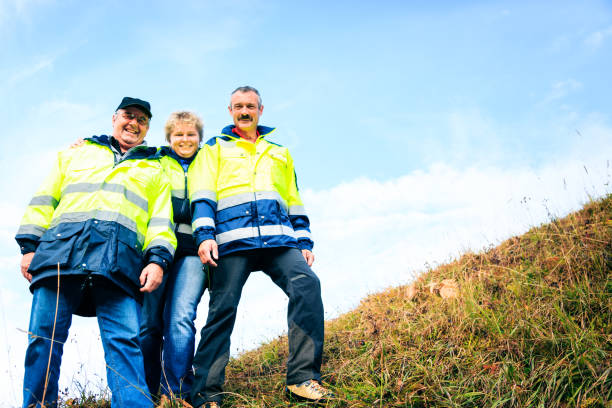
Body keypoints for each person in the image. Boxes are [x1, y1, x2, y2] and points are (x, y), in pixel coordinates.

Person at [15, 97, 176, 408]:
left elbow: (161, 222)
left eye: (142, 120)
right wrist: (29, 246)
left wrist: (157, 261)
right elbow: (45, 198)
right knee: (43, 340)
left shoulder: (155, 169)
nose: (134, 123)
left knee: (126, 343)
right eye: (129, 116)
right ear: (114, 118)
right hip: (60, 255)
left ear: (147, 129)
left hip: (120, 264)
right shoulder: (77, 153)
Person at [188, 86, 333, 408]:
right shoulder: (213, 149)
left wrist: (304, 240)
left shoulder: (279, 152)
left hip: (279, 240)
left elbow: (293, 198)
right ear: (230, 111)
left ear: (260, 110)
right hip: (231, 241)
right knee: (221, 311)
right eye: (238, 106)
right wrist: (205, 236)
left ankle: (302, 379)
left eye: (250, 106)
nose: (244, 111)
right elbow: (202, 195)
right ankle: (205, 393)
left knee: (307, 285)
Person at [139, 111, 208, 403]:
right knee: (148, 324)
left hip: (193, 249)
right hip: (157, 248)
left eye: (191, 134)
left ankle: (176, 393)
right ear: (169, 138)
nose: (185, 139)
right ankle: (148, 390)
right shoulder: (154, 159)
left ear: (199, 137)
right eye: (178, 134)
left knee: (180, 318)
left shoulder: (211, 160)